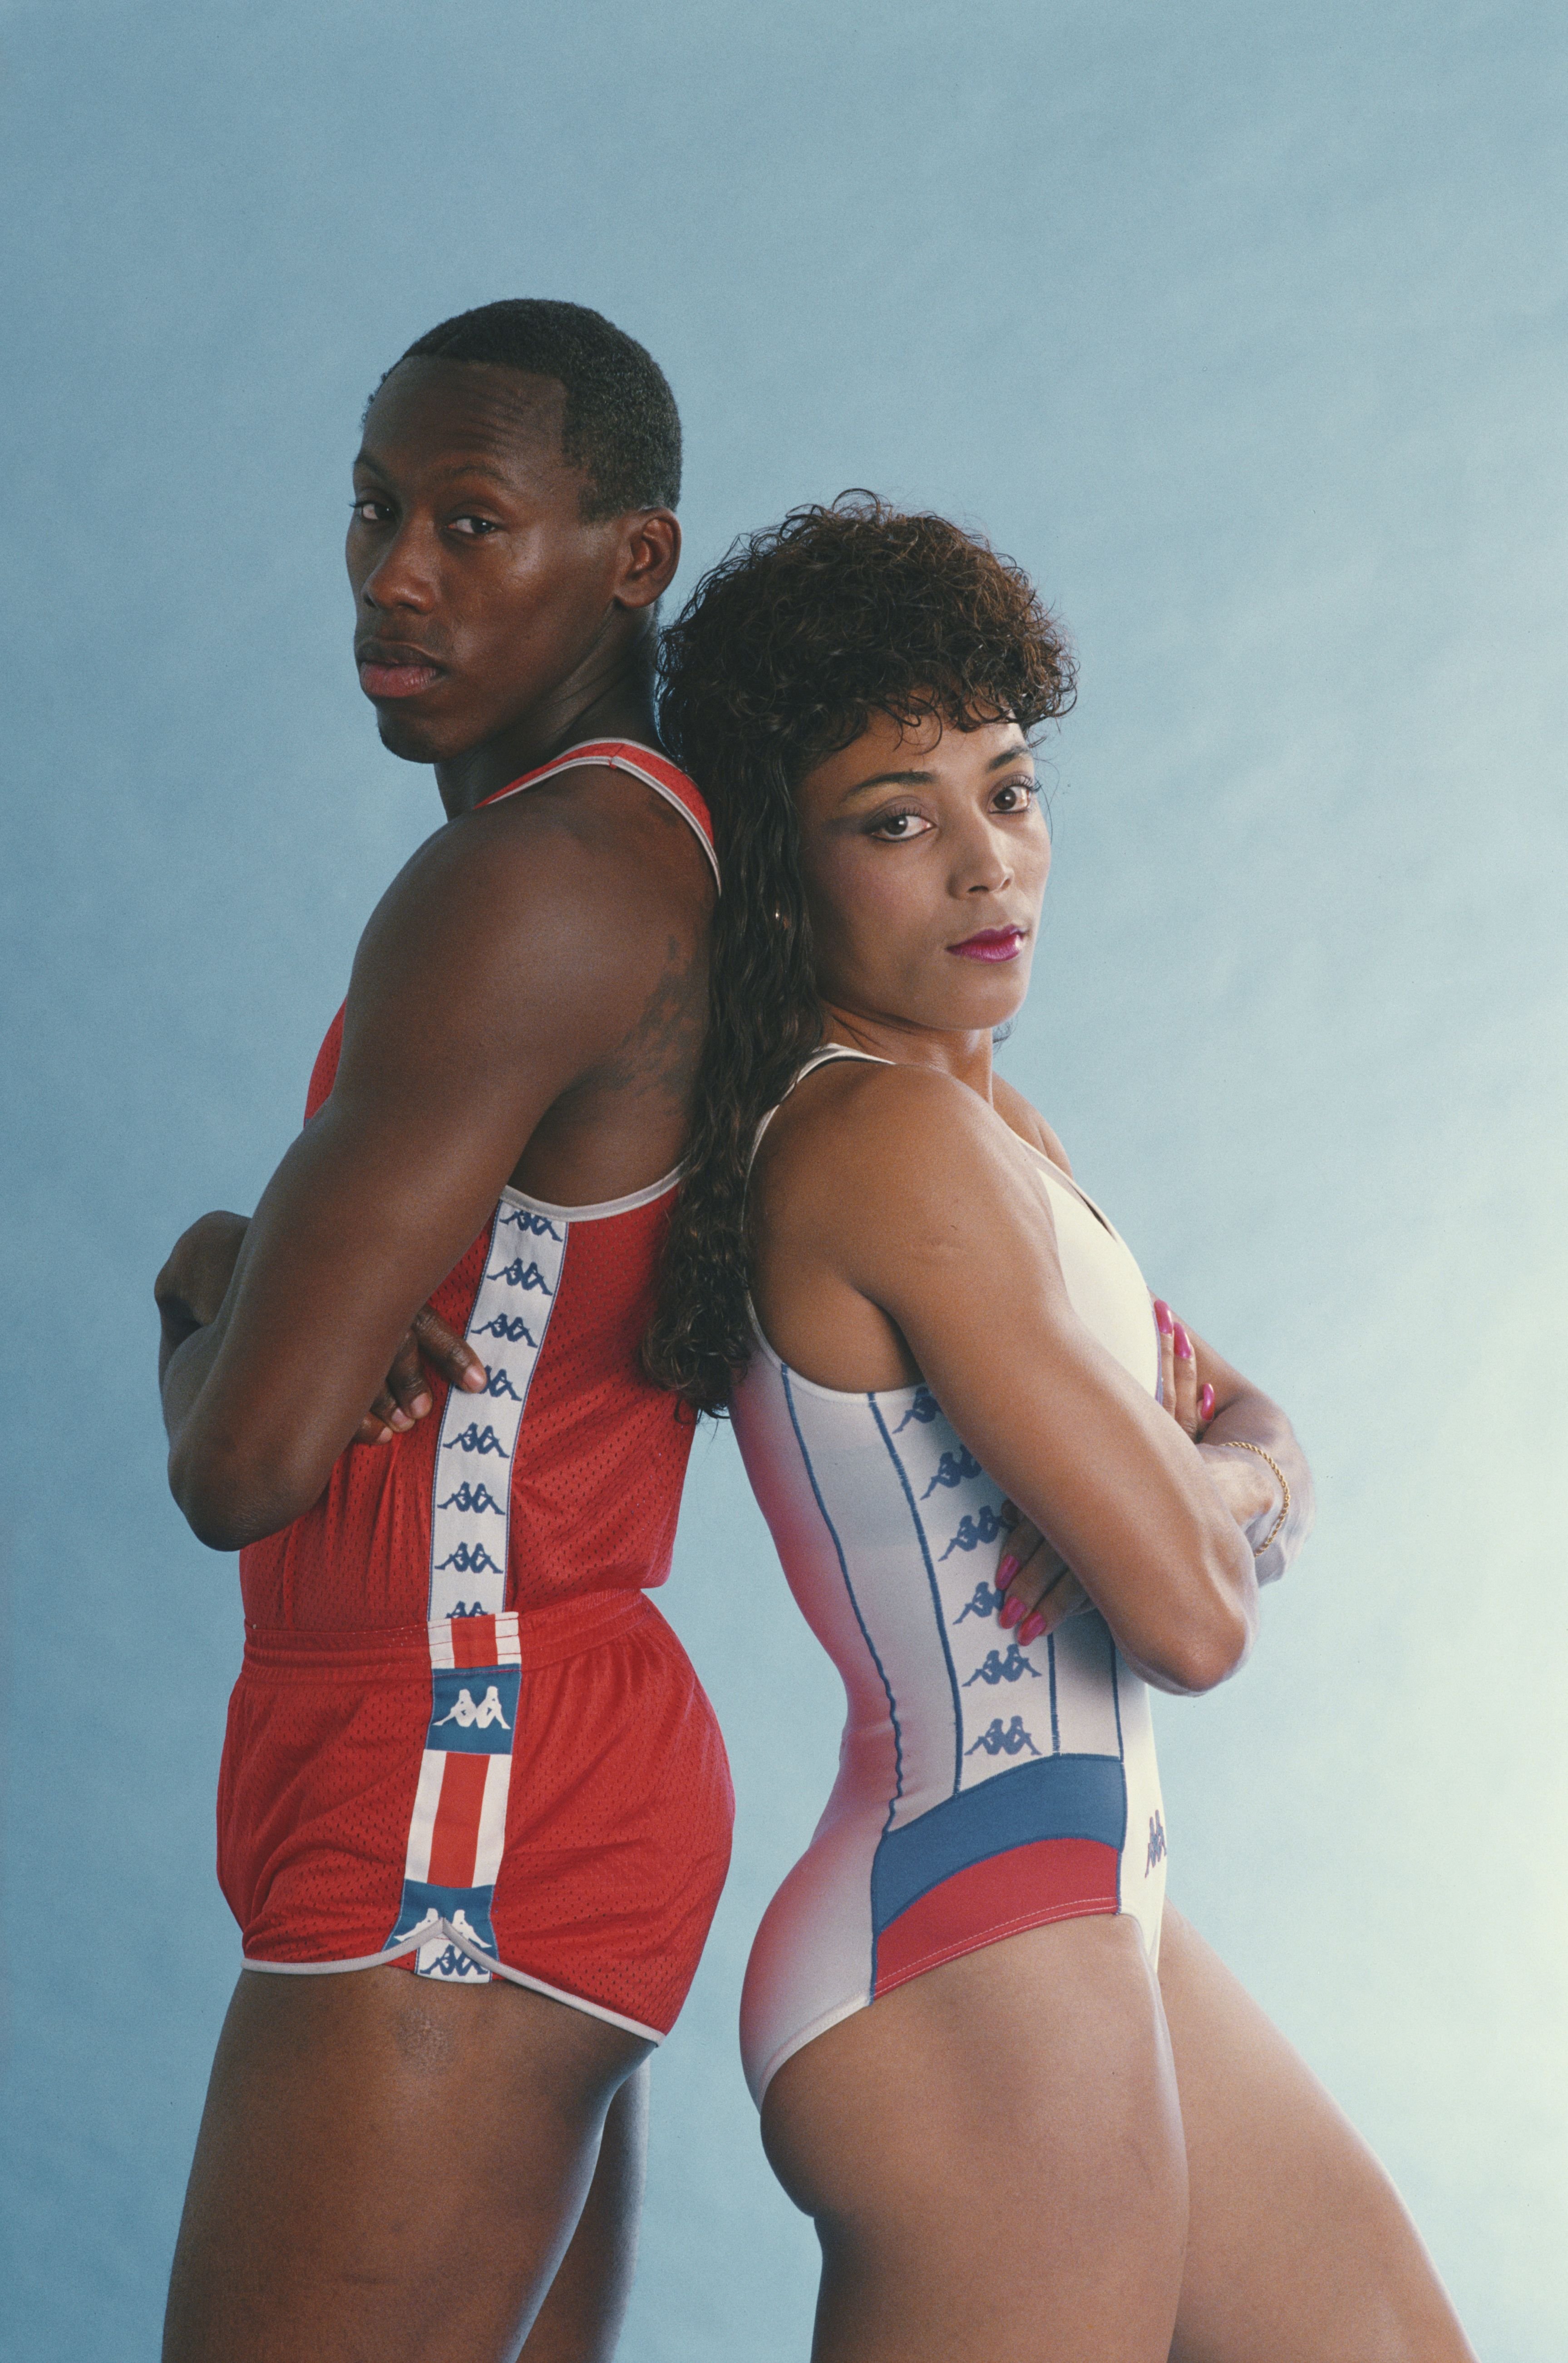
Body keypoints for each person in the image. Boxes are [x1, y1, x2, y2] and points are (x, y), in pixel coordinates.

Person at [644, 495, 1477, 2361]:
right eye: (895, 820)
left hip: (1099, 1910)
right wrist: (1230, 1492)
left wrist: (1217, 1476)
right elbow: (1192, 1613)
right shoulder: (883, 1144)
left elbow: (1231, 1424)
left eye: (1008, 792)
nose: (983, 867)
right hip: (967, 1958)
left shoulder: (996, 1132)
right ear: (787, 874)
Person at [153, 300, 732, 2363]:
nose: (399, 574)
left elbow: (239, 1463)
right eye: (378, 510)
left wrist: (207, 1281)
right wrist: (237, 1265)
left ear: (631, 558)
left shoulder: (539, 880)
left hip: (455, 1787)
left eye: (474, 524)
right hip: (482, 1767)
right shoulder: (605, 849)